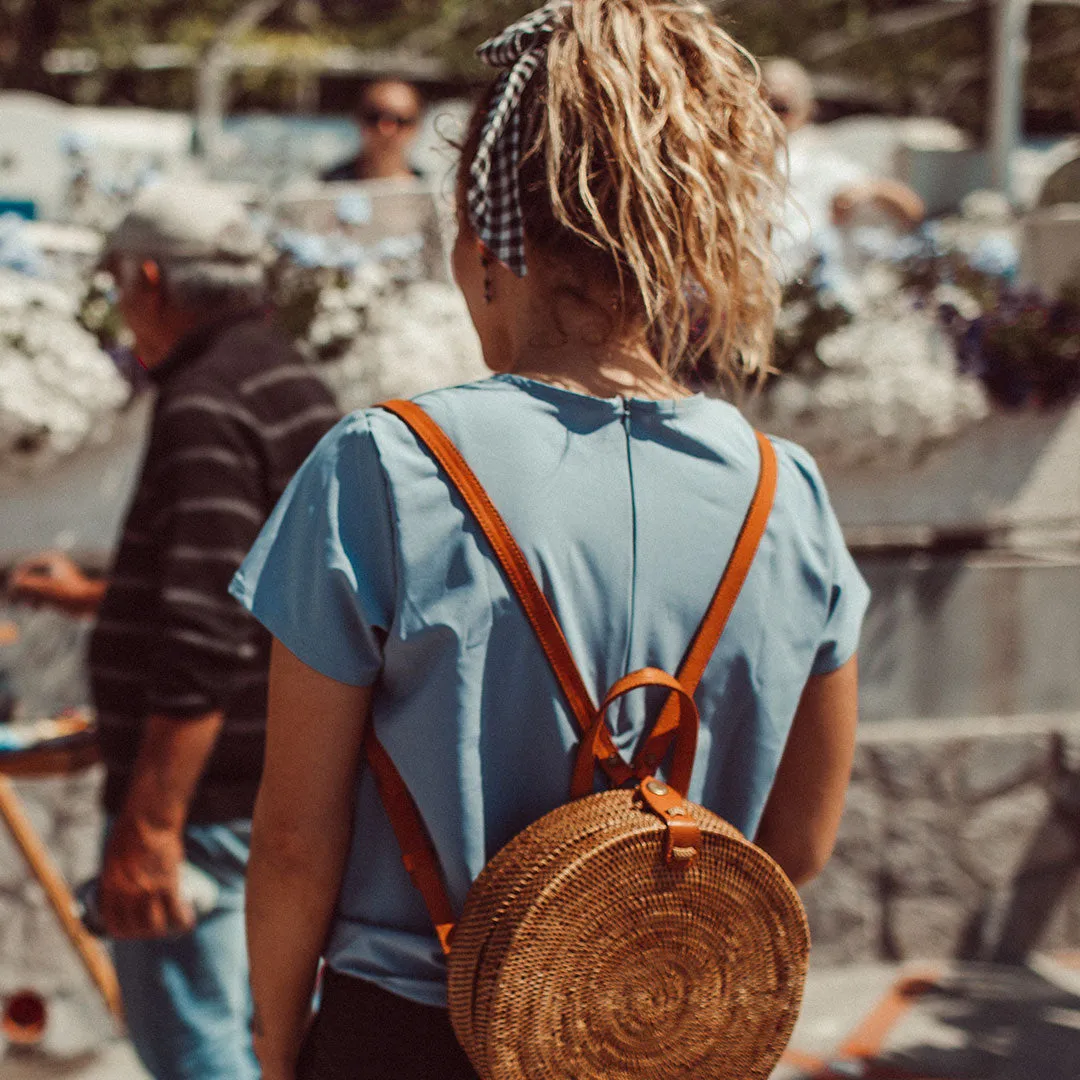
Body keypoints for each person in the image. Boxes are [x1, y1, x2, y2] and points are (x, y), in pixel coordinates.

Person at [232, 4, 869, 1079]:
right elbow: (797, 845)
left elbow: (296, 842)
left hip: (410, 1030)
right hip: (655, 1033)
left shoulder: (386, 466)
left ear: (487, 247)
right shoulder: (785, 492)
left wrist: (274, 1041)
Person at [8, 182, 340, 1080]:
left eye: (120, 286)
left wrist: (151, 827)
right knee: (271, 1042)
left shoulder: (205, 399)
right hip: (277, 783)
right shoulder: (285, 375)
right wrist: (96, 598)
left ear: (150, 280)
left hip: (206, 804)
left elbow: (207, 626)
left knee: (196, 1050)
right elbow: (254, 574)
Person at [762, 57, 926, 282]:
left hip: (801, 285)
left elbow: (911, 209)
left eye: (783, 106)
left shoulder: (820, 157)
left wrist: (866, 192)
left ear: (807, 108)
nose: (775, 111)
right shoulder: (739, 159)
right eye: (770, 101)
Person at [321, 79, 425, 183]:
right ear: (358, 120)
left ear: (417, 126)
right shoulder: (327, 187)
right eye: (374, 117)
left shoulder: (432, 188)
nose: (386, 130)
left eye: (401, 120)